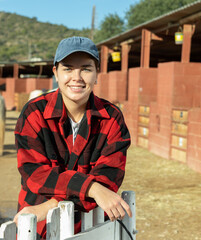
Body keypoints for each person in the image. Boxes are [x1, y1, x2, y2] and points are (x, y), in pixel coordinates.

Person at [13, 36, 132, 238]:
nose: (76, 77)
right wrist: (92, 188)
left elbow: (108, 178)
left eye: (86, 69)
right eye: (67, 68)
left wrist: (51, 204)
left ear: (96, 75)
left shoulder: (112, 118)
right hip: (38, 225)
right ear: (56, 74)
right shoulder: (34, 113)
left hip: (89, 226)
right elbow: (35, 175)